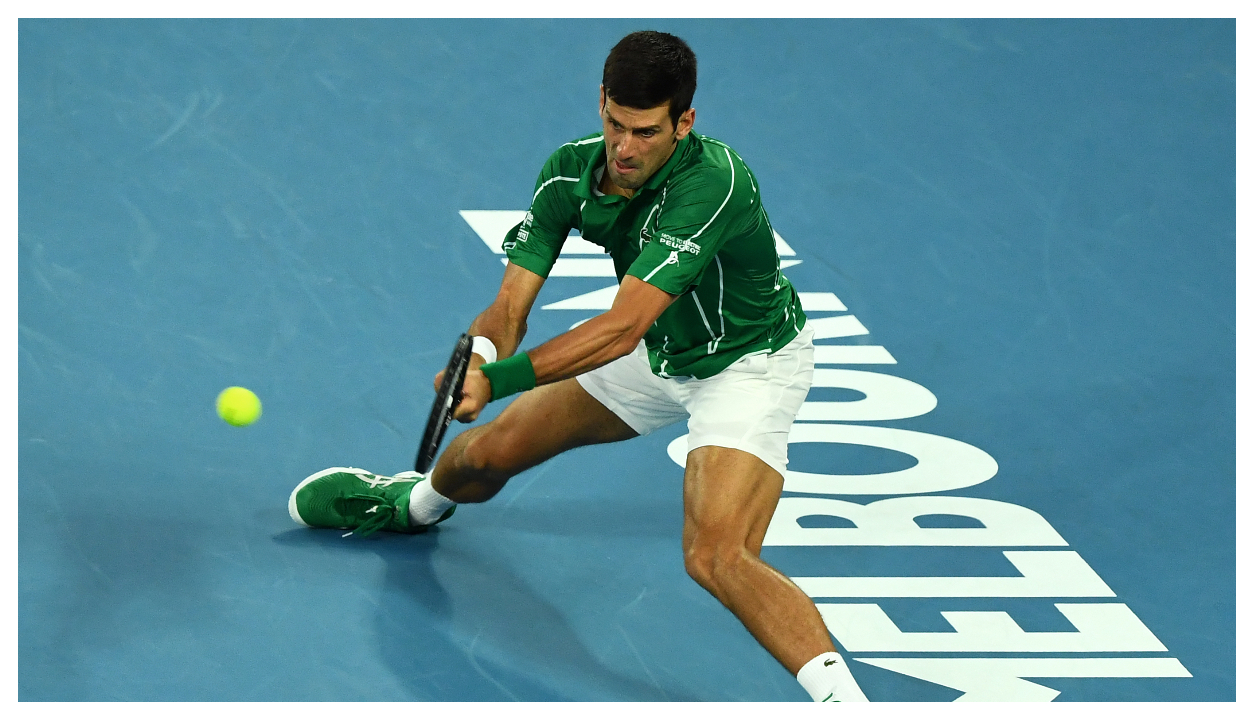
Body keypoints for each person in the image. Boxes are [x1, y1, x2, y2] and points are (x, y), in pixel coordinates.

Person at [288, 30, 867, 703]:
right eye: (616, 124)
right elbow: (510, 307)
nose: (625, 148)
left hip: (747, 366)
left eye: (646, 132)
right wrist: (480, 358)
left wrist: (500, 381)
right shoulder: (569, 173)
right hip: (662, 351)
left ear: (685, 122)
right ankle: (411, 505)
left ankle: (845, 705)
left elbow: (621, 327)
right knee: (485, 454)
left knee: (716, 555)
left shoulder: (714, 183)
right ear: (601, 102)